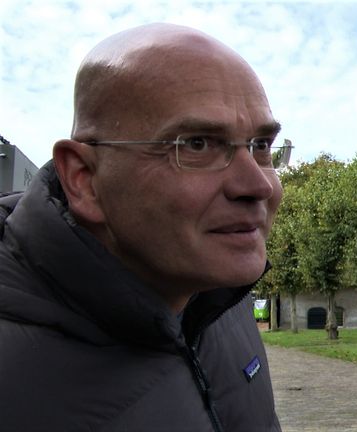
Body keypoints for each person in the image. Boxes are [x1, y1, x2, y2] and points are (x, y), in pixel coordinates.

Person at [0, 23, 287, 431]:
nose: (259, 185)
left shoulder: (221, 300)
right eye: (197, 144)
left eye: (261, 146)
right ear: (84, 178)